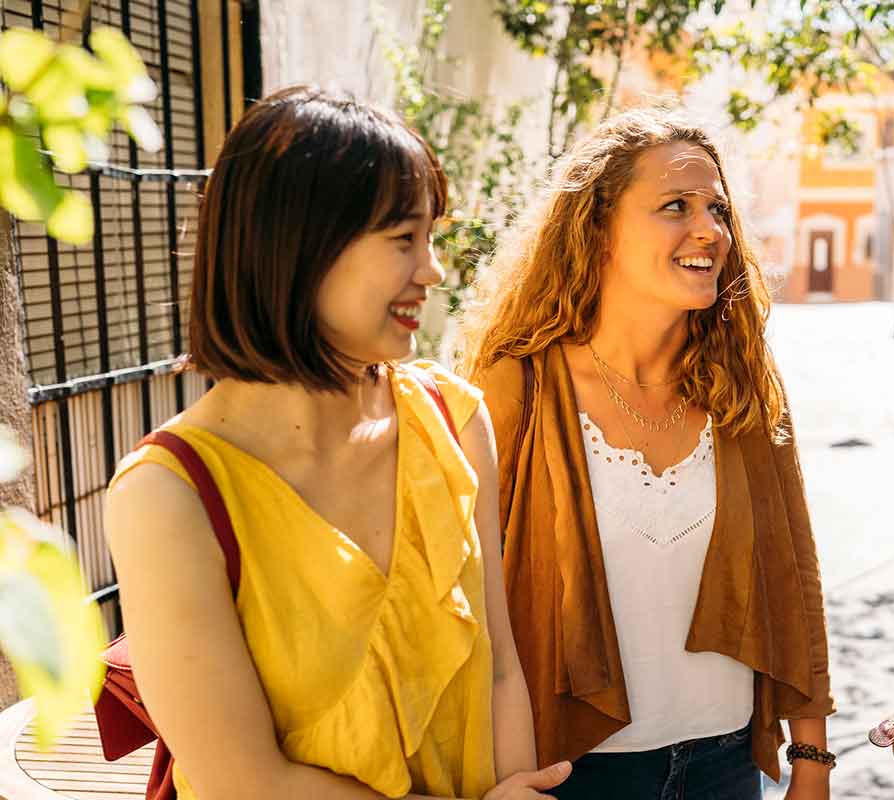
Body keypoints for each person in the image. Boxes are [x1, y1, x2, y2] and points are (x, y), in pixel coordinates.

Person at [103, 87, 569, 800]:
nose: (434, 270)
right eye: (403, 240)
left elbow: (499, 665)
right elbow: (248, 782)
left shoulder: (452, 419)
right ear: (302, 246)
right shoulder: (169, 496)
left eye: (432, 237)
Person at [458, 108, 836, 800]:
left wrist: (811, 757)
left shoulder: (740, 388)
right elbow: (466, 601)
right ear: (597, 229)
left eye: (718, 209)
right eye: (675, 206)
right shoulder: (517, 388)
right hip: (567, 774)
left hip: (726, 770)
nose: (710, 231)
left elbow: (794, 571)